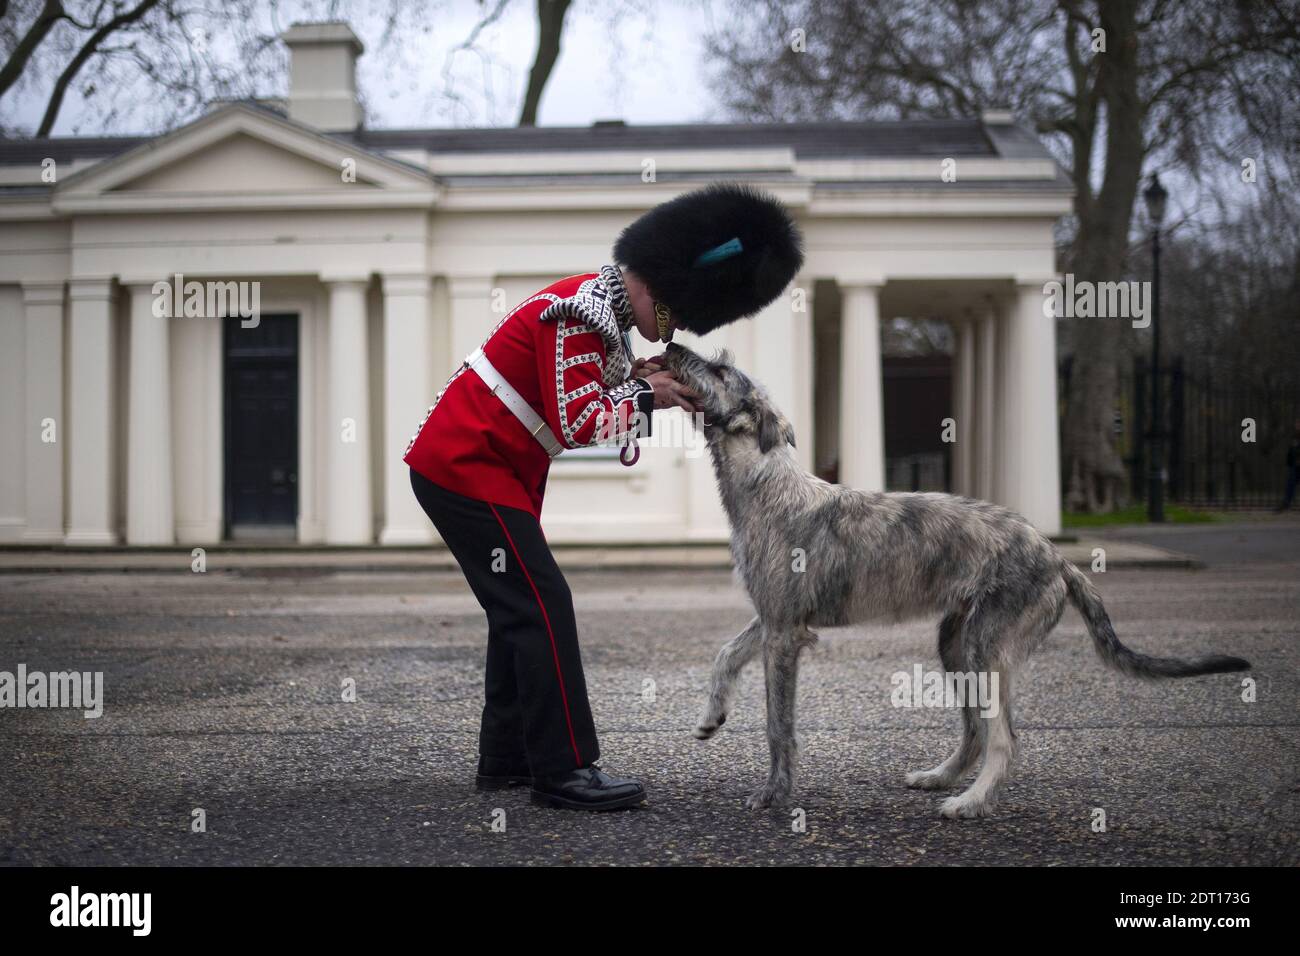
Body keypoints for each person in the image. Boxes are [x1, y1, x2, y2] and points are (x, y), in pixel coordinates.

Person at [404, 183, 804, 810]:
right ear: (651, 284)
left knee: (517, 611)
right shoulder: (582, 312)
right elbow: (577, 420)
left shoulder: (599, 311)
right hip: (467, 466)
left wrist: (640, 382)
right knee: (543, 605)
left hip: (486, 469)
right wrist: (650, 397)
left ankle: (505, 760)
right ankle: (564, 772)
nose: (666, 329)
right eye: (669, 313)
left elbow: (584, 385)